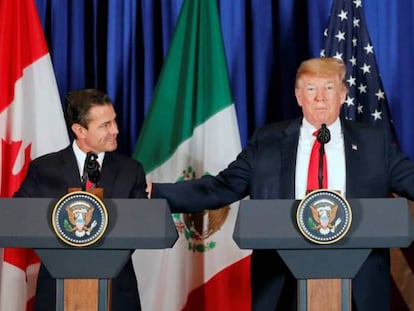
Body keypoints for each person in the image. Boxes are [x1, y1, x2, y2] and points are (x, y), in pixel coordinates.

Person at [150, 57, 414, 310]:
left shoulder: (372, 142)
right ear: (298, 96)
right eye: (311, 89)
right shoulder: (267, 141)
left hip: (360, 281)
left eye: (329, 88)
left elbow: (408, 178)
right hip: (282, 276)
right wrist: (157, 193)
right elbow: (223, 187)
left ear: (343, 94)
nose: (320, 97)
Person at [14, 89, 147, 311]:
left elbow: (142, 224)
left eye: (114, 121)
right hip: (58, 290)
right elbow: (19, 216)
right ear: (79, 130)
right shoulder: (44, 169)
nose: (115, 130)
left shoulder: (131, 170)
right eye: (105, 125)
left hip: (116, 292)